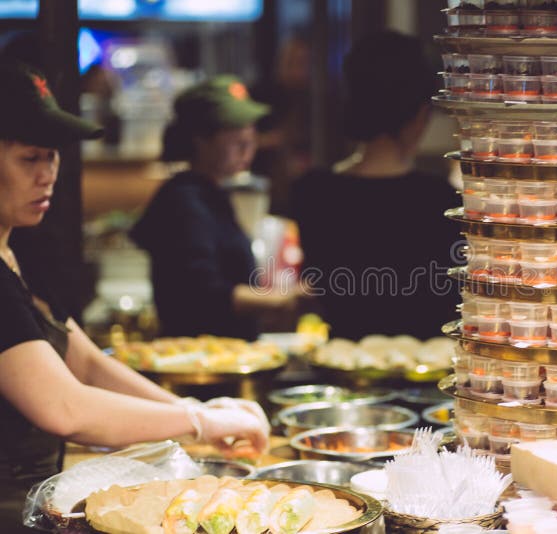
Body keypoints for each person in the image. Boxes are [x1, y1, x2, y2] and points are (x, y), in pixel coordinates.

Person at [0, 62, 270, 532]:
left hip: (39, 499)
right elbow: (65, 408)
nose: (48, 175)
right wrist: (196, 421)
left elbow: (85, 363)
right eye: (30, 158)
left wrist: (197, 412)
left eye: (53, 155)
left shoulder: (19, 251)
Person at [289, 31, 459, 340]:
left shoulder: (312, 192)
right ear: (420, 115)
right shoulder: (440, 200)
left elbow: (320, 287)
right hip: (426, 371)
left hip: (342, 366)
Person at [130, 75, 297, 341]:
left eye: (251, 134)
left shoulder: (210, 193)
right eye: (235, 135)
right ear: (200, 139)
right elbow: (204, 294)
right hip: (201, 362)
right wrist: (281, 299)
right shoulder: (185, 201)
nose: (247, 145)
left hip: (225, 357)